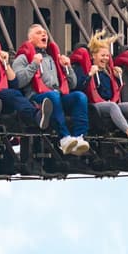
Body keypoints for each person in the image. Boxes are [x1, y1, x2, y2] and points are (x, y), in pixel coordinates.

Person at [73, 30, 128, 147]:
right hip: (94, 106)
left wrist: (116, 77)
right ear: (93, 56)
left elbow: (115, 91)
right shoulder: (83, 69)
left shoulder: (107, 72)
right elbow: (79, 87)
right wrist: (90, 75)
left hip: (109, 103)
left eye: (107, 56)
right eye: (102, 55)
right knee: (112, 106)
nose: (105, 58)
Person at [12, 24, 90, 156]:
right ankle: (64, 137)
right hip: (36, 97)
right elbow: (18, 81)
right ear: (30, 38)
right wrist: (34, 64)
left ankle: (79, 137)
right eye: (39, 33)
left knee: (79, 97)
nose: (44, 35)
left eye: (45, 33)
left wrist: (68, 67)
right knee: (53, 96)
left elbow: (73, 84)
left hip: (57, 95)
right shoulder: (23, 58)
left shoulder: (52, 59)